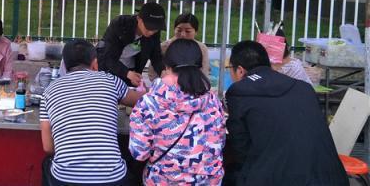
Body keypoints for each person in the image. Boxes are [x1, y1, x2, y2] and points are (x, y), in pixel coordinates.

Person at [224, 40, 347, 186]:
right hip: (332, 179)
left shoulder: (239, 92)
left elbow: (241, 150)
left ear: (240, 70)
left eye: (229, 68)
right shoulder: (304, 88)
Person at [40, 39, 142, 186]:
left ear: (64, 65)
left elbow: (48, 148)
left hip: (65, 180)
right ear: (95, 63)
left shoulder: (49, 91)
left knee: (46, 163)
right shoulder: (110, 81)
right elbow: (140, 100)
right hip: (112, 179)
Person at [130, 38, 225, 185]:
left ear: (166, 66)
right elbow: (219, 144)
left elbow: (139, 152)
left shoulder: (148, 103)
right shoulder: (213, 101)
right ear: (200, 66)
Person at [97, 2, 166, 86]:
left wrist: (163, 72)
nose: (151, 32)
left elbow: (156, 56)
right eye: (149, 27)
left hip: (130, 69)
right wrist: (127, 73)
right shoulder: (120, 24)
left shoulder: (154, 33)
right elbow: (108, 57)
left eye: (155, 29)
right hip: (107, 69)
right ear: (139, 19)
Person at [149, 12, 210, 80]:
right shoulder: (163, 47)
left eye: (188, 31)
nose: (182, 34)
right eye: (179, 30)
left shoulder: (202, 48)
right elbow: (152, 74)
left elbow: (204, 74)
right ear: (174, 29)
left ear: (196, 32)